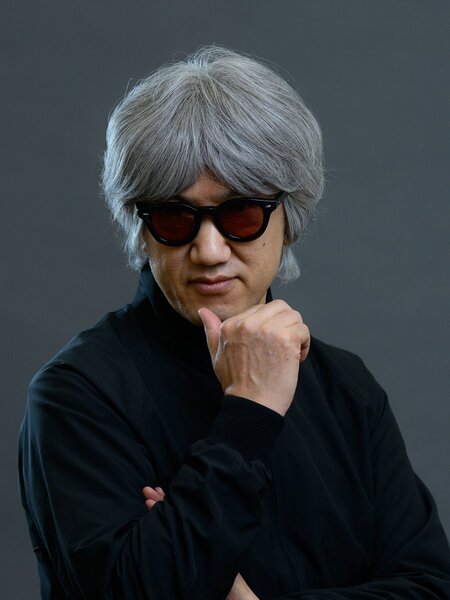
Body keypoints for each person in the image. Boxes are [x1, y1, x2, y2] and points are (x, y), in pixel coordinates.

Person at [18, 46, 450, 600]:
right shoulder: (77, 396)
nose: (209, 250)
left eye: (241, 213)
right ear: (141, 230)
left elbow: (431, 587)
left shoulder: (347, 389)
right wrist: (250, 410)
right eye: (174, 218)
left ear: (288, 218)